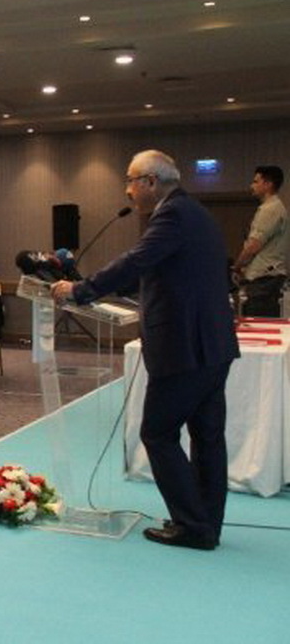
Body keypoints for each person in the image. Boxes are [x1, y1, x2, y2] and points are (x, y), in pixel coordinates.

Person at [51, 150, 239, 551]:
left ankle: (192, 525)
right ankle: (206, 523)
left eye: (131, 180)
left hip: (183, 347)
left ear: (151, 182)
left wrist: (81, 290)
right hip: (212, 345)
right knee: (207, 437)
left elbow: (136, 260)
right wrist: (100, 287)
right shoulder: (195, 213)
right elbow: (159, 272)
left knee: (158, 432)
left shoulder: (172, 216)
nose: (127, 190)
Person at [233, 165, 287, 317]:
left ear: (268, 184)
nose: (252, 186)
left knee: (258, 321)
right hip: (267, 281)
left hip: (264, 282)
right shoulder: (275, 208)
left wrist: (237, 266)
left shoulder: (270, 210)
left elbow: (253, 246)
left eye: (256, 181)